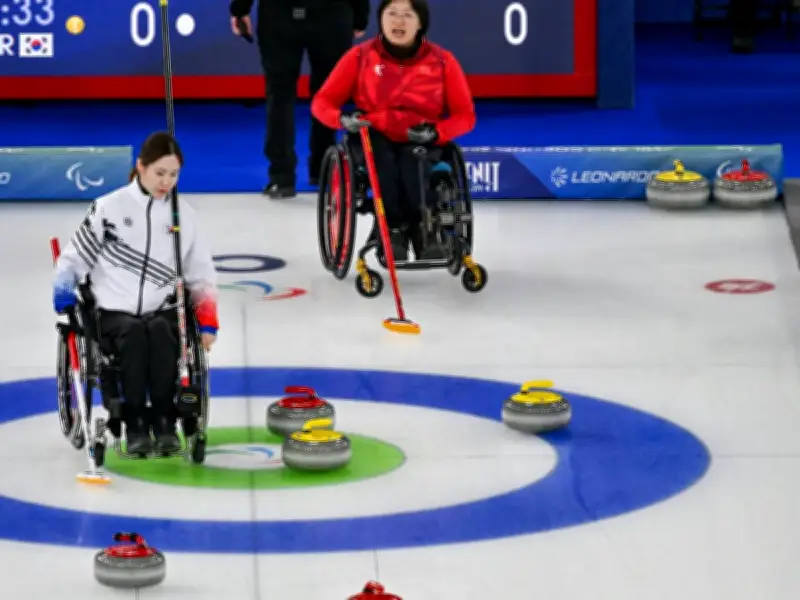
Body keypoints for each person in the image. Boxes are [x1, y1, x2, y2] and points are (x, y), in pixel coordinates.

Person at [52, 132, 219, 456]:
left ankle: (164, 420)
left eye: (174, 175)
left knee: (159, 331)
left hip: (162, 308)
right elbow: (72, 259)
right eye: (159, 173)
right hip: (114, 311)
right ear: (140, 167)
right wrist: (63, 292)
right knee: (134, 333)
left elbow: (201, 273)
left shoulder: (183, 216)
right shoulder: (108, 209)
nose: (166, 182)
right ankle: (135, 422)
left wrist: (208, 320)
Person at [310, 0, 476, 261]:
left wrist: (437, 132)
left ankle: (424, 229)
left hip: (420, 134)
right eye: (392, 14)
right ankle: (393, 229)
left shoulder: (443, 61)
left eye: (407, 15)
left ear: (420, 23)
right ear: (381, 19)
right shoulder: (359, 57)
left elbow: (465, 116)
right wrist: (342, 119)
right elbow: (322, 103)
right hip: (373, 132)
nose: (398, 22)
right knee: (382, 163)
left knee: (414, 164)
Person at [229, 0, 370, 199]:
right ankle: (324, 170)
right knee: (327, 93)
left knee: (280, 95)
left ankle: (281, 177)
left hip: (280, 15)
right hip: (332, 14)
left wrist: (240, 9)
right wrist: (360, 16)